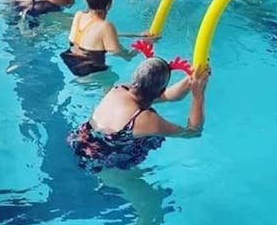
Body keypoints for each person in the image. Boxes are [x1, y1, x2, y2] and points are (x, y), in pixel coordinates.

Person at [68, 58, 210, 172]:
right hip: (105, 159)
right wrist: (198, 95)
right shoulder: (147, 120)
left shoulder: (121, 89)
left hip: (82, 140)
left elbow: (168, 96)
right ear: (161, 90)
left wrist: (191, 79)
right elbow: (192, 132)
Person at [60, 0, 142, 77]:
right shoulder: (106, 26)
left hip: (70, 60)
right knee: (112, 78)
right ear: (109, 4)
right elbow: (120, 53)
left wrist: (137, 35)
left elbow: (95, 36)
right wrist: (138, 49)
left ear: (86, 0)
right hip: (90, 70)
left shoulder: (79, 15)